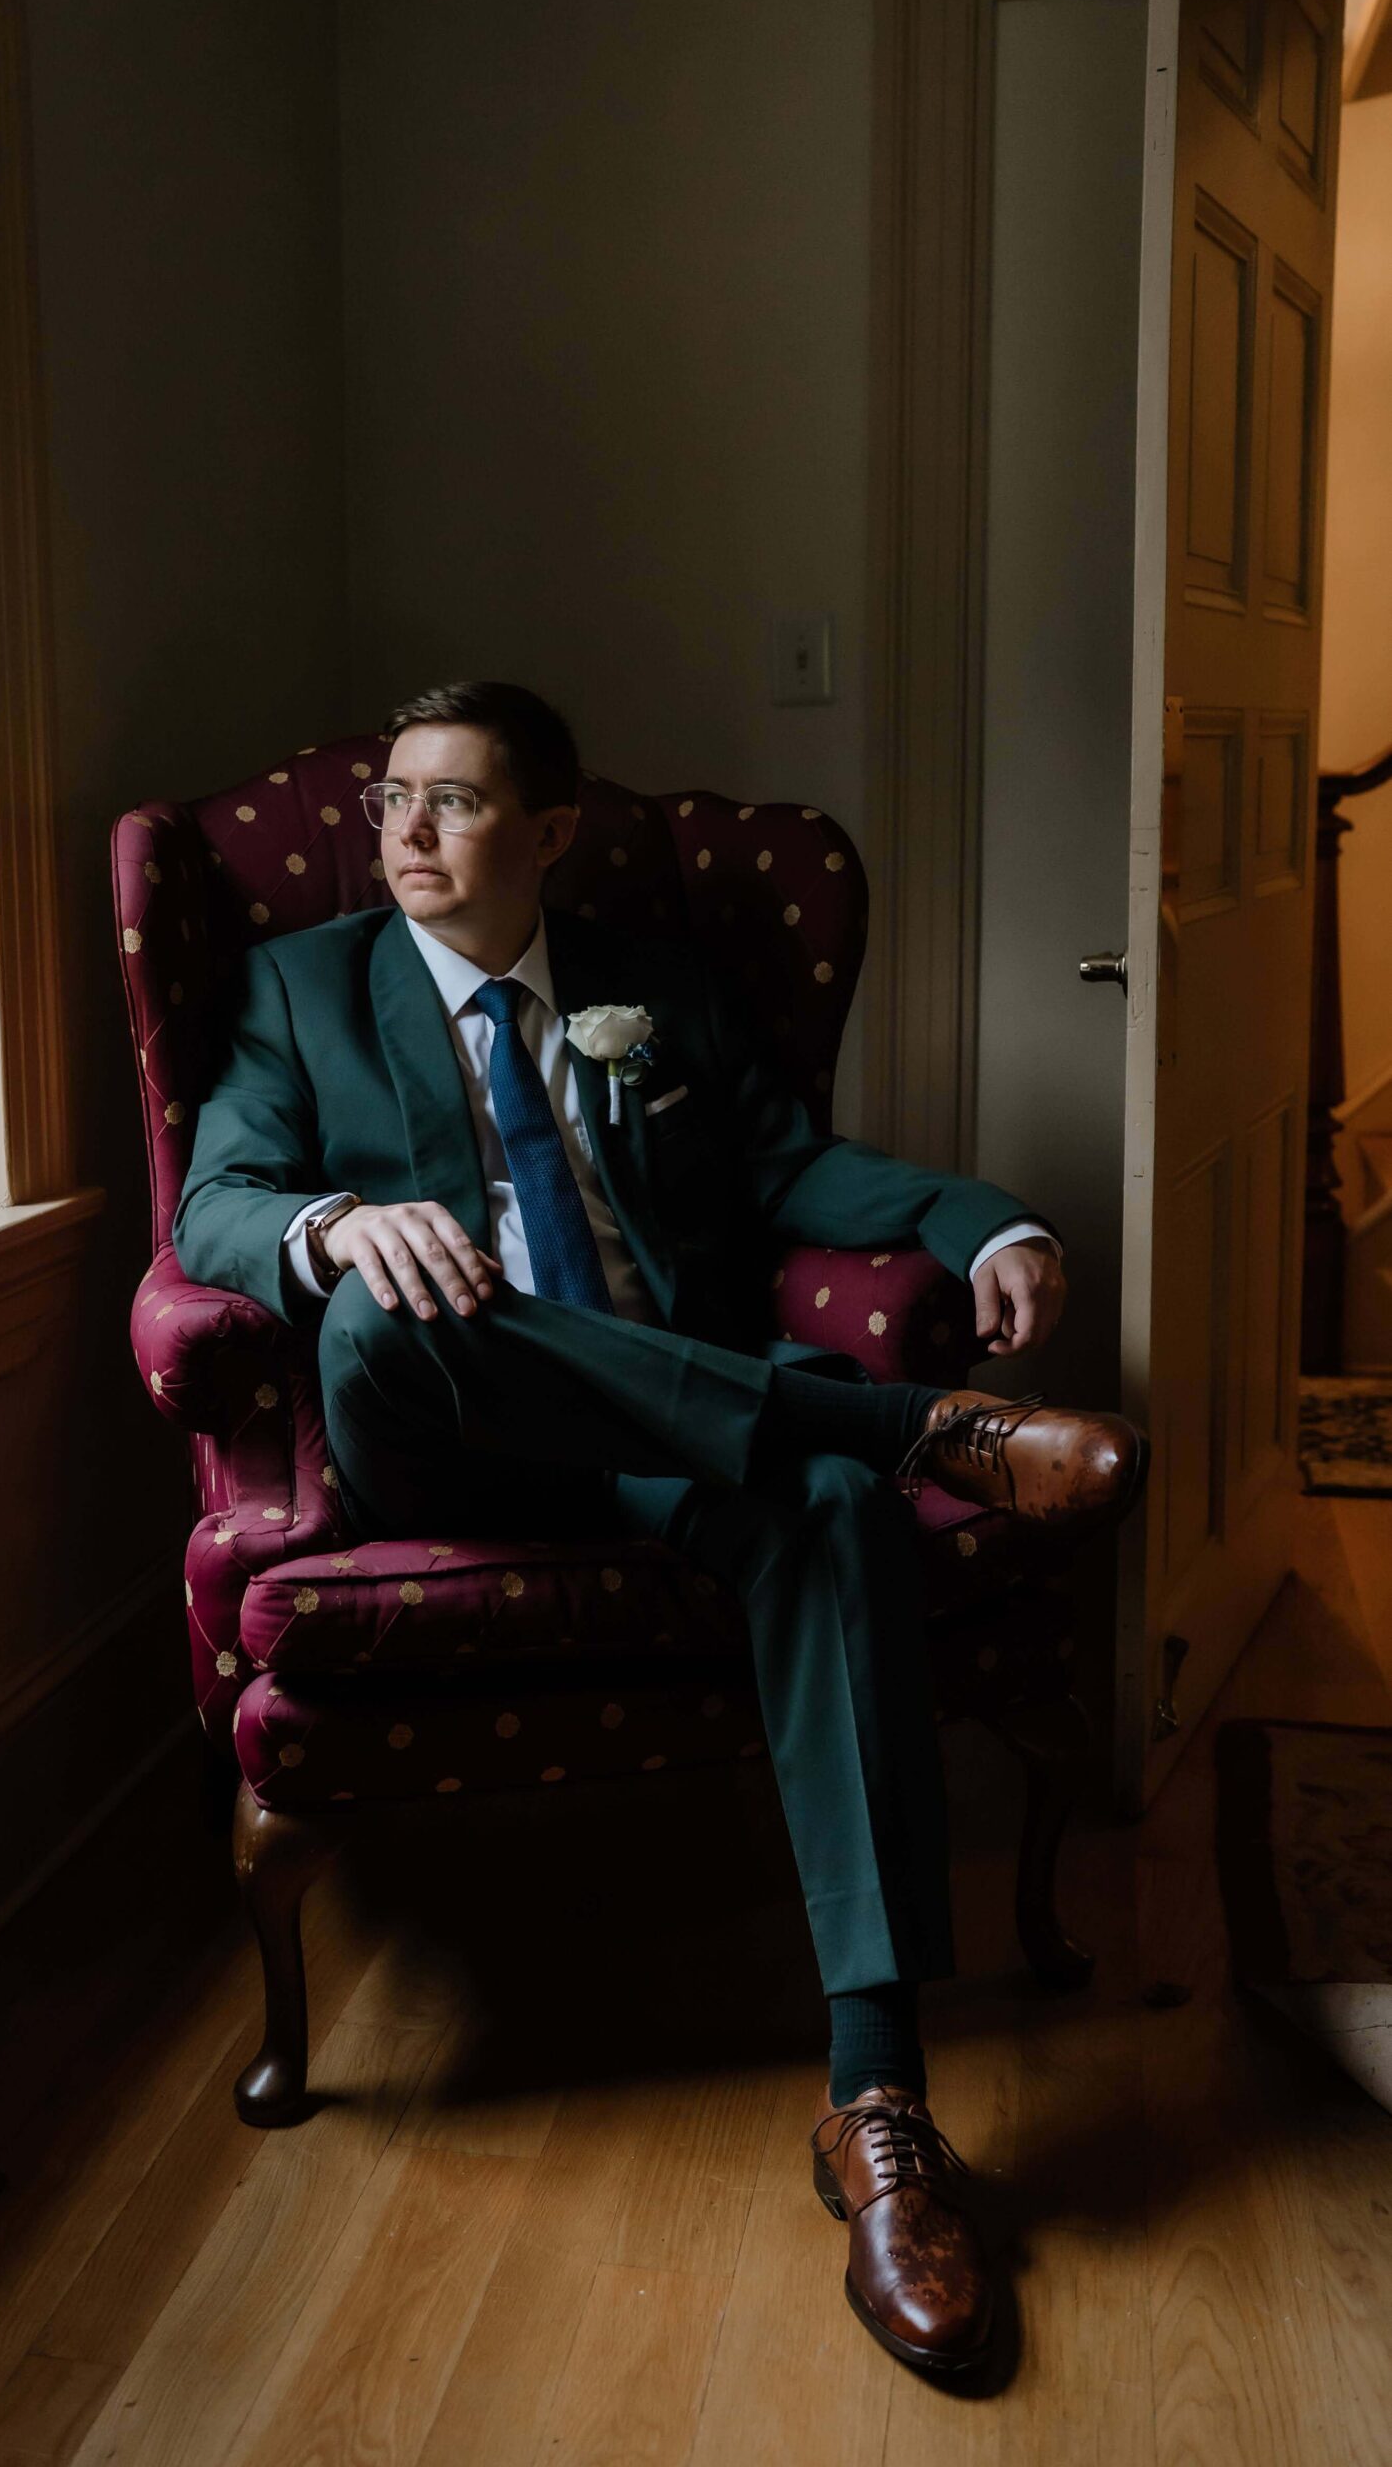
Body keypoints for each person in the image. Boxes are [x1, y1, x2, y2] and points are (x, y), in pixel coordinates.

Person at [173, 679, 1146, 2380]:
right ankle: (914, 1428)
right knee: (391, 1307)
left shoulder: (653, 988)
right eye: (393, 798)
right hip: (448, 1440)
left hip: (664, 1431)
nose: (405, 830)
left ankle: (879, 2108)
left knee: (827, 1507)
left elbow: (793, 1173)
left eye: (456, 801)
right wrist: (336, 1228)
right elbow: (215, 1203)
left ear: (549, 832)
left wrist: (987, 1221)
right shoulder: (302, 986)